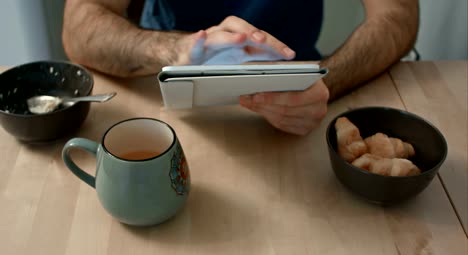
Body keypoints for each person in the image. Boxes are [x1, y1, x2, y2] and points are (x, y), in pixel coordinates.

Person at [62, 0, 419, 135]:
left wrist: (325, 78)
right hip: (162, 88)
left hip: (304, 103)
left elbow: (398, 13)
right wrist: (173, 49)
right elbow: (79, 24)